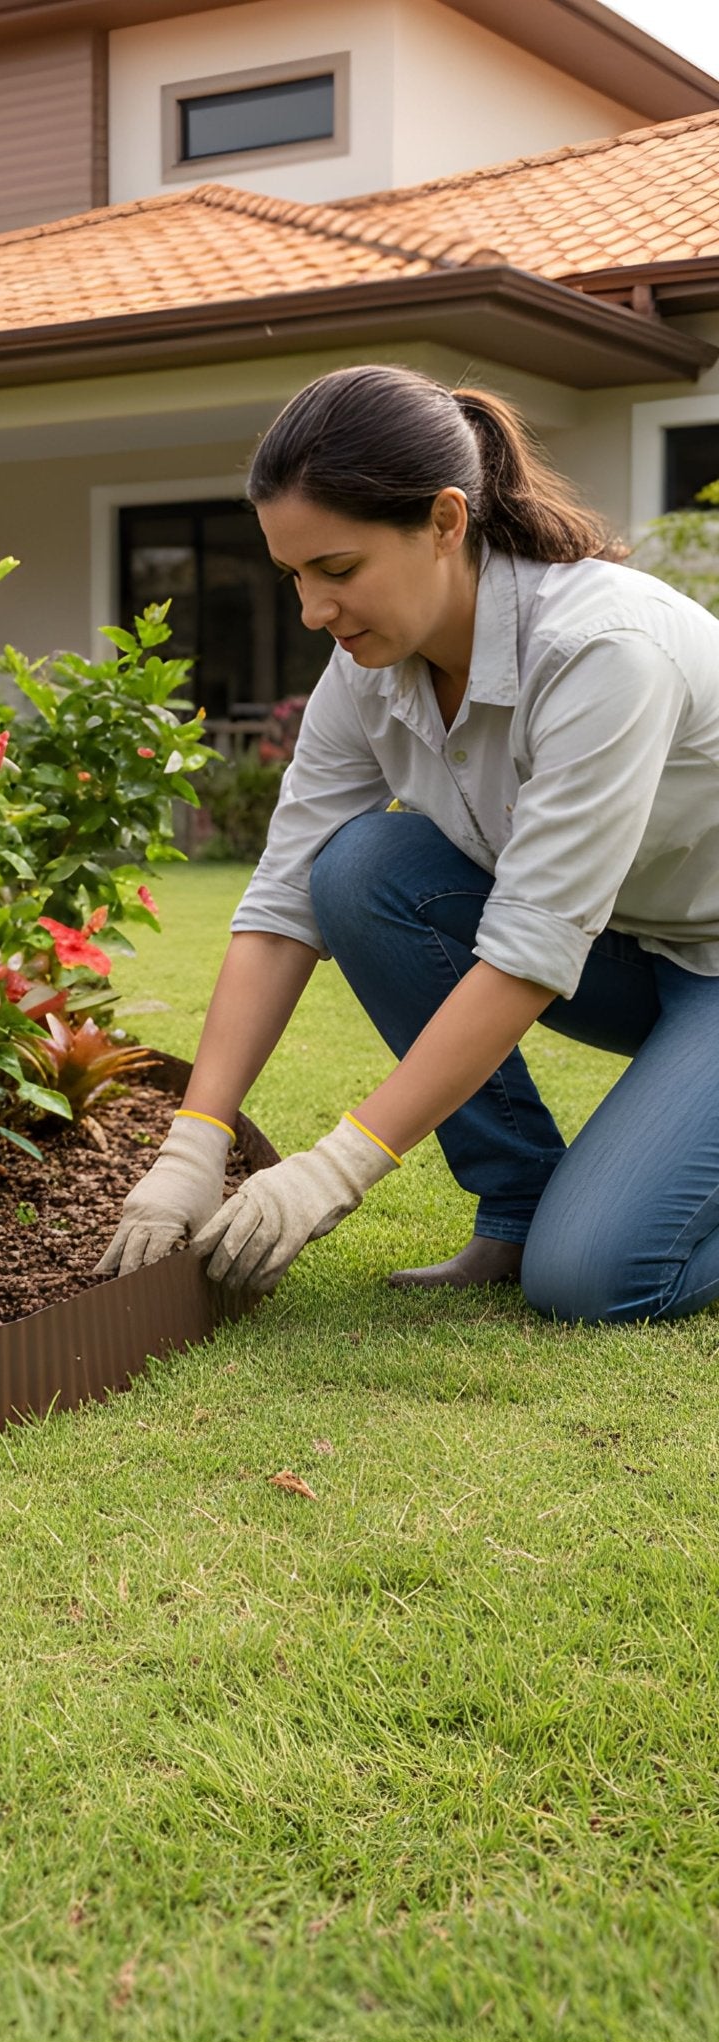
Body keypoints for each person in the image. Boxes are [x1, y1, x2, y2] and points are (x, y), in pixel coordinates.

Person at [97, 363, 719, 1326]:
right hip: (644, 951)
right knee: (359, 870)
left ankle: (564, 1230)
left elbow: (529, 948)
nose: (312, 610)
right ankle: (516, 1207)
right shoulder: (371, 669)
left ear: (444, 522)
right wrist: (197, 1137)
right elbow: (284, 897)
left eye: (337, 571)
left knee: (596, 1278)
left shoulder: (603, 652)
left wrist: (337, 1168)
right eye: (294, 575)